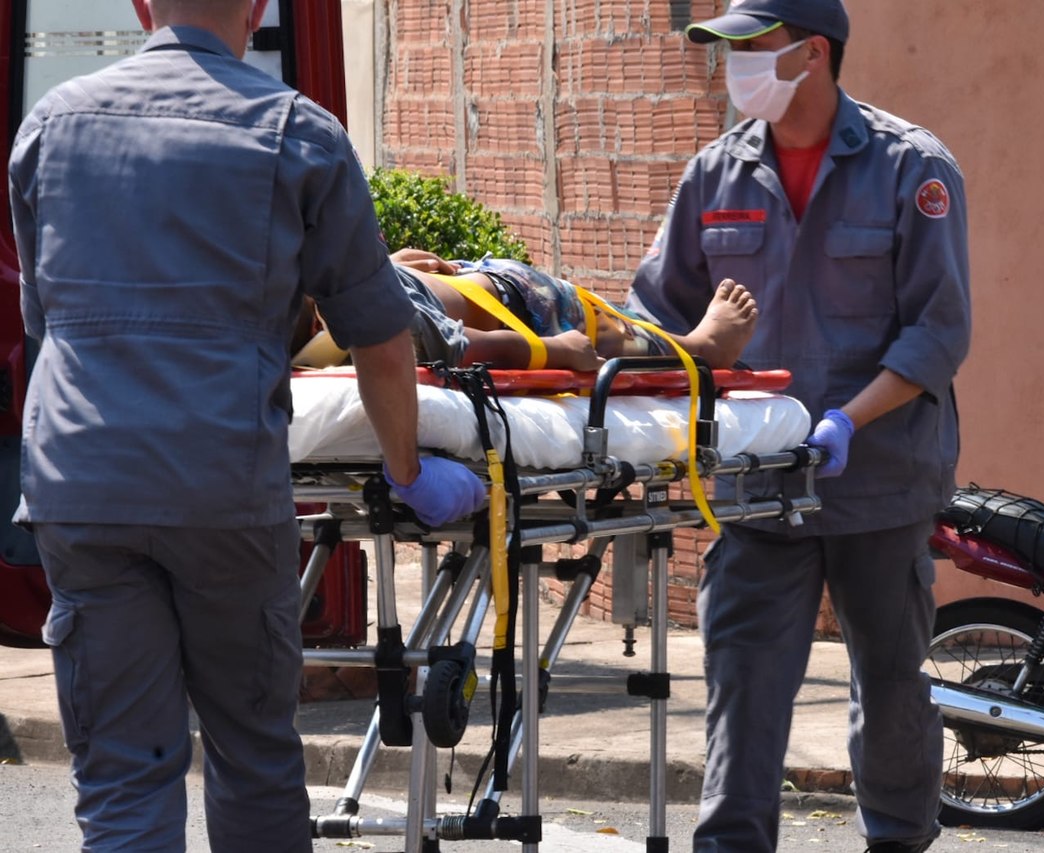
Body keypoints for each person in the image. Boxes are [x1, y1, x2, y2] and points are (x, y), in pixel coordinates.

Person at [7, 2, 483, 850]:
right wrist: (408, 472)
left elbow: (47, 324)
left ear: (141, 5)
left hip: (83, 483)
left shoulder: (52, 125)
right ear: (261, 8)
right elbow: (378, 336)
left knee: (121, 772)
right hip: (221, 486)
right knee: (254, 758)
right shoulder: (297, 134)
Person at [625, 1, 971, 850]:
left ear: (812, 53)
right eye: (725, 48)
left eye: (750, 47)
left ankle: (896, 838)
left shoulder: (911, 168)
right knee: (741, 687)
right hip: (755, 486)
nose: (731, 65)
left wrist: (848, 420)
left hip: (880, 480)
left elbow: (940, 329)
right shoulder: (714, 176)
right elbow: (657, 312)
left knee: (891, 691)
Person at [293, 248, 759, 372]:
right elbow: (462, 347)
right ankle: (700, 346)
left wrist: (390, 268)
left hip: (516, 296)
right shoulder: (354, 311)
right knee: (614, 332)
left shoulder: (351, 308)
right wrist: (553, 351)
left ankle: (699, 347)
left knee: (616, 333)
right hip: (516, 302)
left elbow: (461, 345)